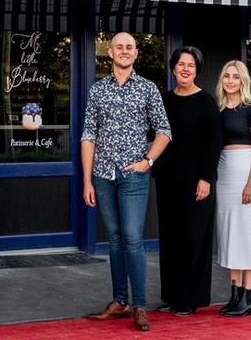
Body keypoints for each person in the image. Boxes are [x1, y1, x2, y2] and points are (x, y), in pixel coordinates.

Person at [82, 32, 172, 332]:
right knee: (116, 239)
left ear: (136, 53)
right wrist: (87, 180)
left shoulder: (148, 89)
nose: (124, 51)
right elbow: (88, 136)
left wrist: (148, 161)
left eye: (129, 47)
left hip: (134, 176)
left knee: (133, 239)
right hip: (103, 176)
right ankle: (119, 301)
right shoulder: (97, 91)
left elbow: (164, 131)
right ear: (110, 52)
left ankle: (140, 305)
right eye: (119, 46)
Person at [154, 46, 222, 316]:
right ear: (173, 68)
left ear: (197, 70)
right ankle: (172, 296)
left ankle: (190, 300)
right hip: (168, 181)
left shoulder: (205, 101)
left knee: (193, 240)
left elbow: (214, 143)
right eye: (181, 64)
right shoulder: (164, 100)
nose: (185, 69)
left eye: (190, 65)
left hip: (197, 183)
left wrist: (206, 178)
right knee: (170, 239)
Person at [215, 59, 251, 318]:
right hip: (224, 176)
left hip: (245, 173)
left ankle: (249, 296)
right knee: (230, 233)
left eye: (236, 77)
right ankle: (234, 294)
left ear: (243, 80)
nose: (231, 81)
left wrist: (250, 181)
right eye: (227, 76)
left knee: (248, 234)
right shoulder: (221, 109)